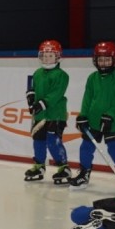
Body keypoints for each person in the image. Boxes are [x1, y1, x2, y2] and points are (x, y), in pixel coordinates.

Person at [68, 41, 115, 191]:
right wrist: (83, 115)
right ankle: (84, 174)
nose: (103, 63)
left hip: (114, 121)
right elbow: (87, 98)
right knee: (86, 147)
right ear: (95, 60)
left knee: (114, 148)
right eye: (100, 59)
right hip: (93, 120)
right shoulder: (92, 78)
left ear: (114, 60)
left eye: (107, 59)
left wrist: (110, 115)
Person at [24, 39, 71, 185]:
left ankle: (64, 167)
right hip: (40, 115)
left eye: (50, 55)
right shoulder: (37, 73)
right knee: (38, 141)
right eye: (44, 55)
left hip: (55, 114)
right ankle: (39, 166)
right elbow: (33, 87)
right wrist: (31, 95)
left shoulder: (62, 75)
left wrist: (41, 104)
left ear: (57, 57)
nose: (46, 58)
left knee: (53, 141)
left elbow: (56, 94)